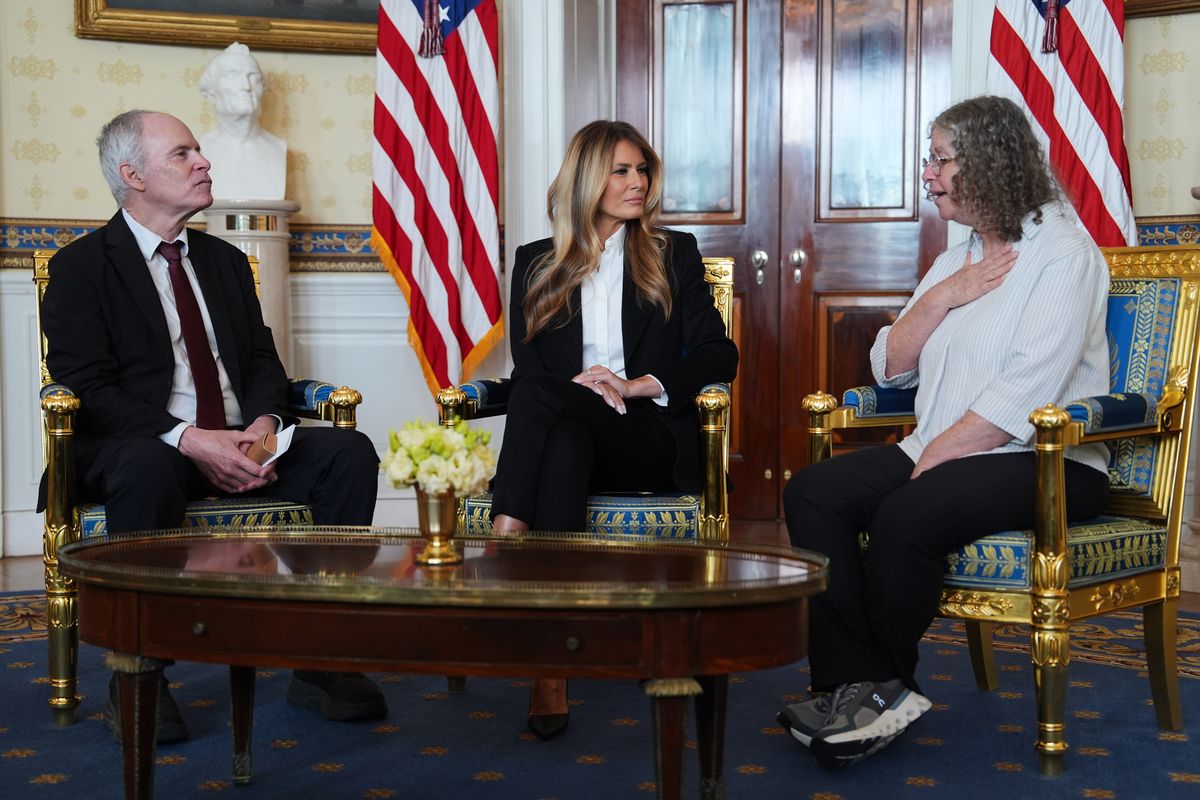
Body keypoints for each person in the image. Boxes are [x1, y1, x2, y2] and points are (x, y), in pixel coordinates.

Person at [777, 95, 1111, 770]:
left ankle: (879, 689)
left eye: (940, 159)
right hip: (944, 448)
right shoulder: (960, 257)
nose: (928, 174)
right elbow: (889, 367)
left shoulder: (1065, 253)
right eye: (929, 159)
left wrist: (936, 455)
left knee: (908, 510)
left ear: (989, 162)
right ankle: (857, 684)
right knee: (813, 491)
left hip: (1048, 462)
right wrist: (942, 297)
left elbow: (1028, 390)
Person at [39, 109, 384, 744]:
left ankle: (322, 657)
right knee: (147, 464)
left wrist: (262, 431)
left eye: (198, 150)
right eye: (182, 153)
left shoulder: (224, 261)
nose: (203, 162)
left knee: (349, 452)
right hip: (145, 447)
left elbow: (262, 361)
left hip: (239, 437)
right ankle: (139, 671)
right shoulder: (81, 268)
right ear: (132, 175)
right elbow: (89, 389)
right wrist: (191, 439)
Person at [491, 120, 739, 738]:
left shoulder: (673, 253)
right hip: (572, 433)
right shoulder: (536, 262)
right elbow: (530, 369)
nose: (638, 183)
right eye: (621, 171)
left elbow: (719, 356)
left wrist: (632, 385)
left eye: (642, 170)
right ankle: (553, 668)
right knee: (562, 436)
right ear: (587, 180)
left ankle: (502, 546)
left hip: (648, 438)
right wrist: (581, 391)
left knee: (541, 397)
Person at [198, 42, 286, 200]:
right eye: (232, 76)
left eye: (254, 78)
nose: (246, 86)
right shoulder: (201, 150)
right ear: (211, 93)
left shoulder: (278, 147)